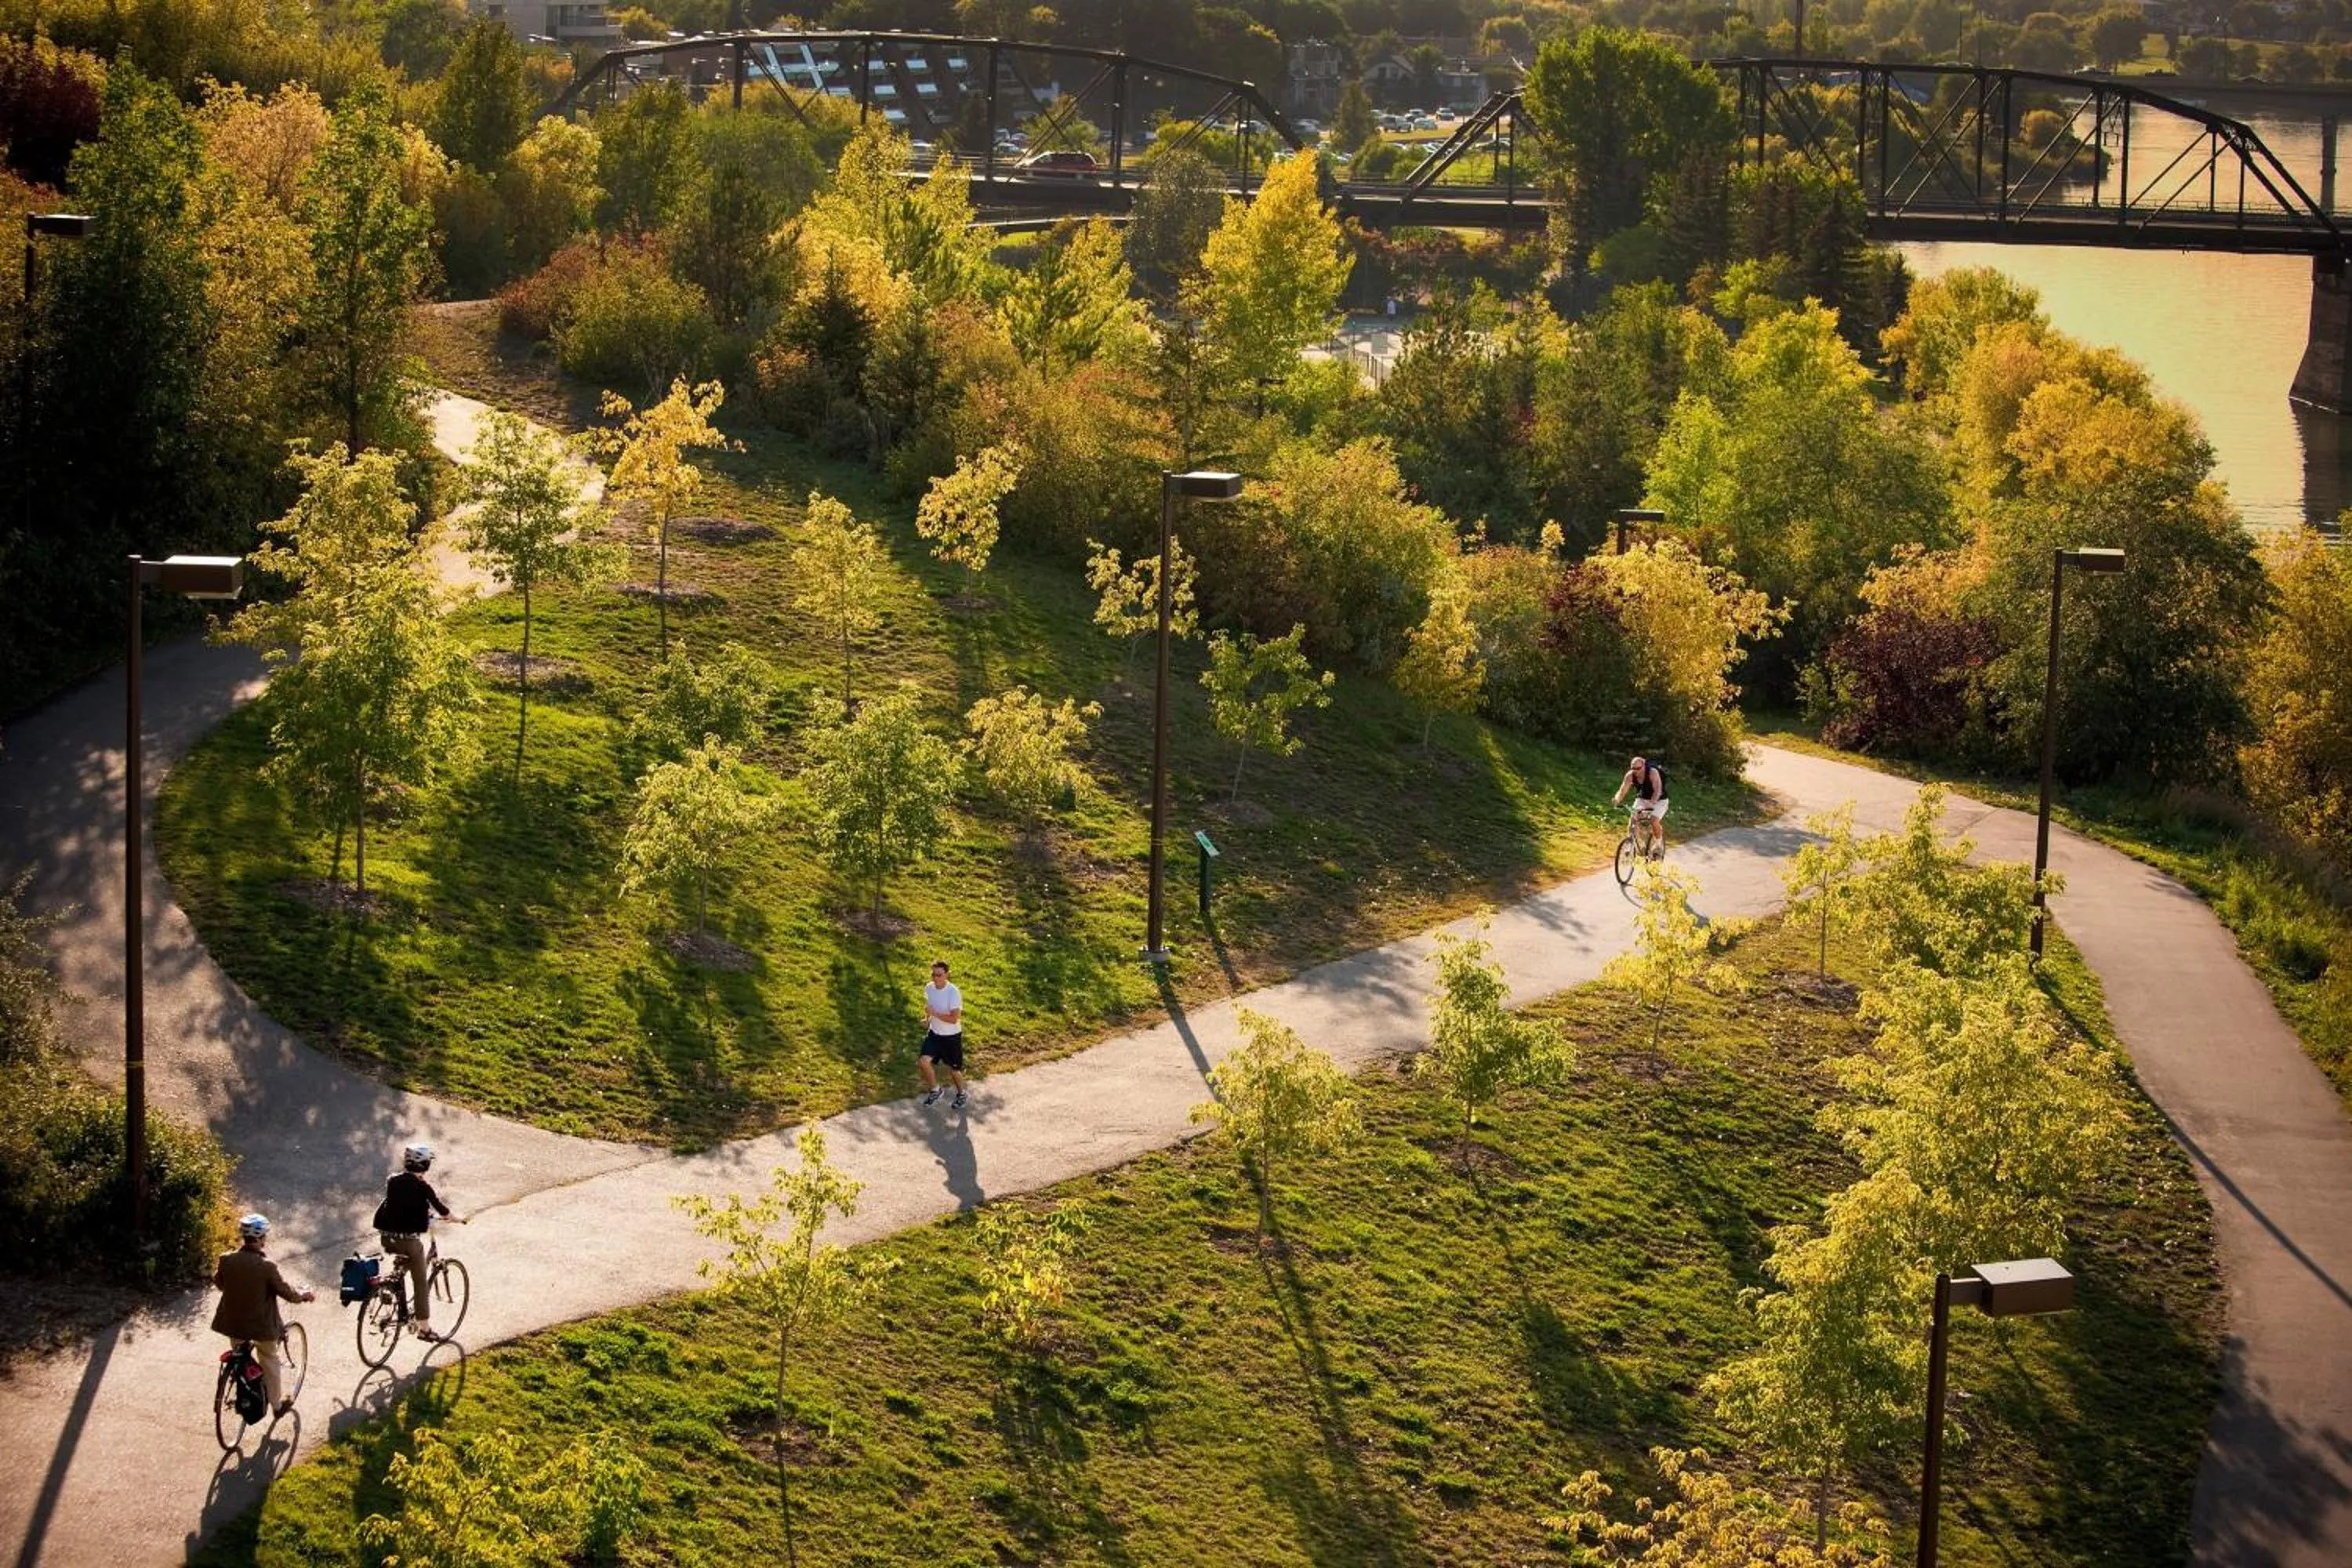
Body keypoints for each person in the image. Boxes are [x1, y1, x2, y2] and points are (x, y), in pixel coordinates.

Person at [211, 1213, 313, 1417]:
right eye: (265, 1236)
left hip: (233, 1324)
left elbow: (220, 1283)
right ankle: (277, 1406)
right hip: (261, 1327)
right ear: (260, 1238)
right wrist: (304, 1295)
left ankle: (244, 1390)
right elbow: (287, 1293)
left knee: (241, 1358)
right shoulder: (267, 1267)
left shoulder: (226, 1260)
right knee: (269, 1359)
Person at [372, 1142, 467, 1341]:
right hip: (409, 1242)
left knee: (405, 1263)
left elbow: (400, 1204)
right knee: (421, 1282)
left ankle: (392, 1286)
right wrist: (455, 1218)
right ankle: (424, 1329)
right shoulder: (423, 1187)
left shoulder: (392, 1180)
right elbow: (442, 1209)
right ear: (425, 1165)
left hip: (387, 1238)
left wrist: (422, 1211)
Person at [918, 959, 967, 1110]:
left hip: (951, 1037)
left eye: (939, 975)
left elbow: (954, 1019)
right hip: (934, 1034)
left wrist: (935, 1014)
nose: (936, 978)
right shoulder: (929, 988)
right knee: (924, 1061)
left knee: (954, 1070)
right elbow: (930, 1008)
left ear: (947, 975)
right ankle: (935, 1090)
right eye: (934, 974)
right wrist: (927, 1020)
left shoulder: (953, 992)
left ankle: (962, 1094)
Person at [1612, 754, 1669, 858]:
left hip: (1660, 800)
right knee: (1633, 819)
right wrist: (1617, 799)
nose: (1636, 771)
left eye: (1638, 768)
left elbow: (1658, 790)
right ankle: (1631, 845)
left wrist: (1652, 803)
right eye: (1633, 768)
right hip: (1642, 799)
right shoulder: (1630, 775)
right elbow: (1622, 790)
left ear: (1644, 765)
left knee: (1653, 820)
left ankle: (1658, 844)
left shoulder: (1652, 772)